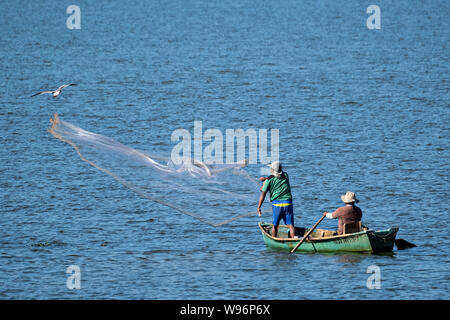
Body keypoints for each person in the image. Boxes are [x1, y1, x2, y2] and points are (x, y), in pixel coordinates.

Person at [257, 161, 296, 238]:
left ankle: (274, 239)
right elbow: (277, 178)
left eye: (271, 168)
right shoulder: (286, 175)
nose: (270, 170)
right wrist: (265, 179)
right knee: (291, 225)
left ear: (272, 170)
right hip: (288, 203)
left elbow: (263, 194)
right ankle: (294, 239)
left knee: (275, 225)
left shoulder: (269, 179)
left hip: (277, 204)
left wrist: (259, 207)